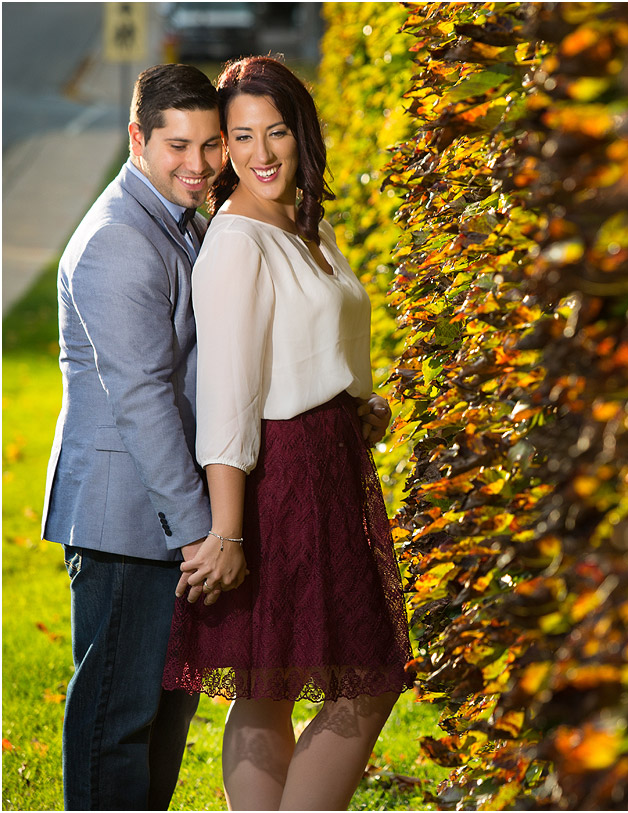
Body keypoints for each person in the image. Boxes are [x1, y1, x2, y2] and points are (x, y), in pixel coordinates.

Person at [160, 56, 412, 810]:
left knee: (274, 681)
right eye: (240, 137)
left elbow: (312, 345)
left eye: (275, 132)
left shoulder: (309, 223)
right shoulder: (236, 240)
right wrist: (228, 531)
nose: (261, 153)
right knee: (358, 677)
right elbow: (229, 393)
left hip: (332, 457)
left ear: (302, 134)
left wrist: (355, 403)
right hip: (281, 476)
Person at [40, 63, 243, 810]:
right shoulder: (120, 239)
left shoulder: (173, 218)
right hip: (130, 520)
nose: (196, 164)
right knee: (115, 727)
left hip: (159, 517)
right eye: (176, 146)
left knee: (158, 725)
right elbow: (145, 399)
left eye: (211, 144)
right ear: (137, 139)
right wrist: (201, 534)